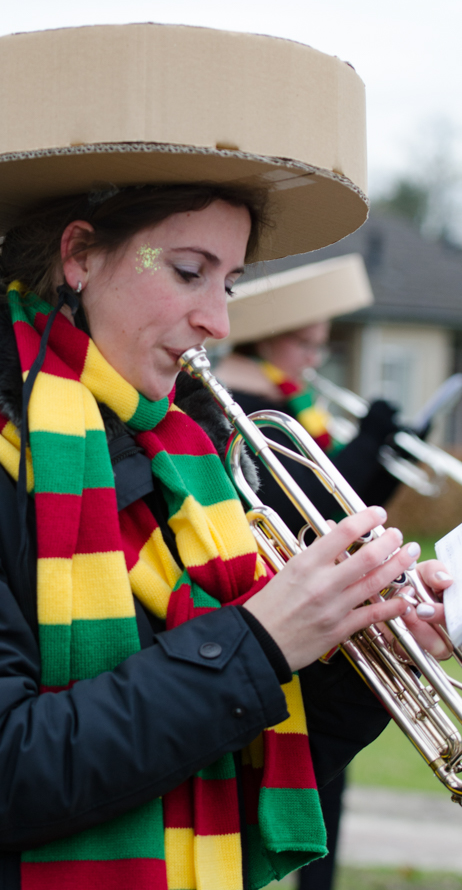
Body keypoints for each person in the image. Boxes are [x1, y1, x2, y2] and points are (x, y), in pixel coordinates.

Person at [0, 25, 452, 890]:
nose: (219, 321)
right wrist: (261, 641)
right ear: (81, 255)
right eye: (188, 271)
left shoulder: (190, 465)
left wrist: (360, 644)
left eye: (227, 283)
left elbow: (244, 750)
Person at [212, 255, 405, 890]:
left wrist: (389, 454)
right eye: (306, 344)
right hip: (274, 605)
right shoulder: (241, 404)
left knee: (328, 768)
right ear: (270, 337)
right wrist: (372, 442)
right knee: (295, 770)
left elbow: (350, 509)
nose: (314, 360)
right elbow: (307, 503)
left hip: (326, 606)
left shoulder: (295, 402)